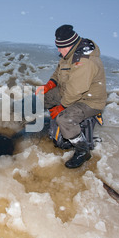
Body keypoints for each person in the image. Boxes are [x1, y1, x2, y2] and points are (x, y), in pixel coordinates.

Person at [36, 25, 107, 168]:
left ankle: (82, 150)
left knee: (65, 119)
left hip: (89, 101)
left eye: (61, 47)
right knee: (43, 97)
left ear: (70, 44)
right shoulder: (68, 54)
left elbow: (75, 91)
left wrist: (61, 108)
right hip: (69, 92)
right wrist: (50, 84)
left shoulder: (84, 62)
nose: (58, 50)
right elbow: (58, 72)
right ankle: (58, 130)